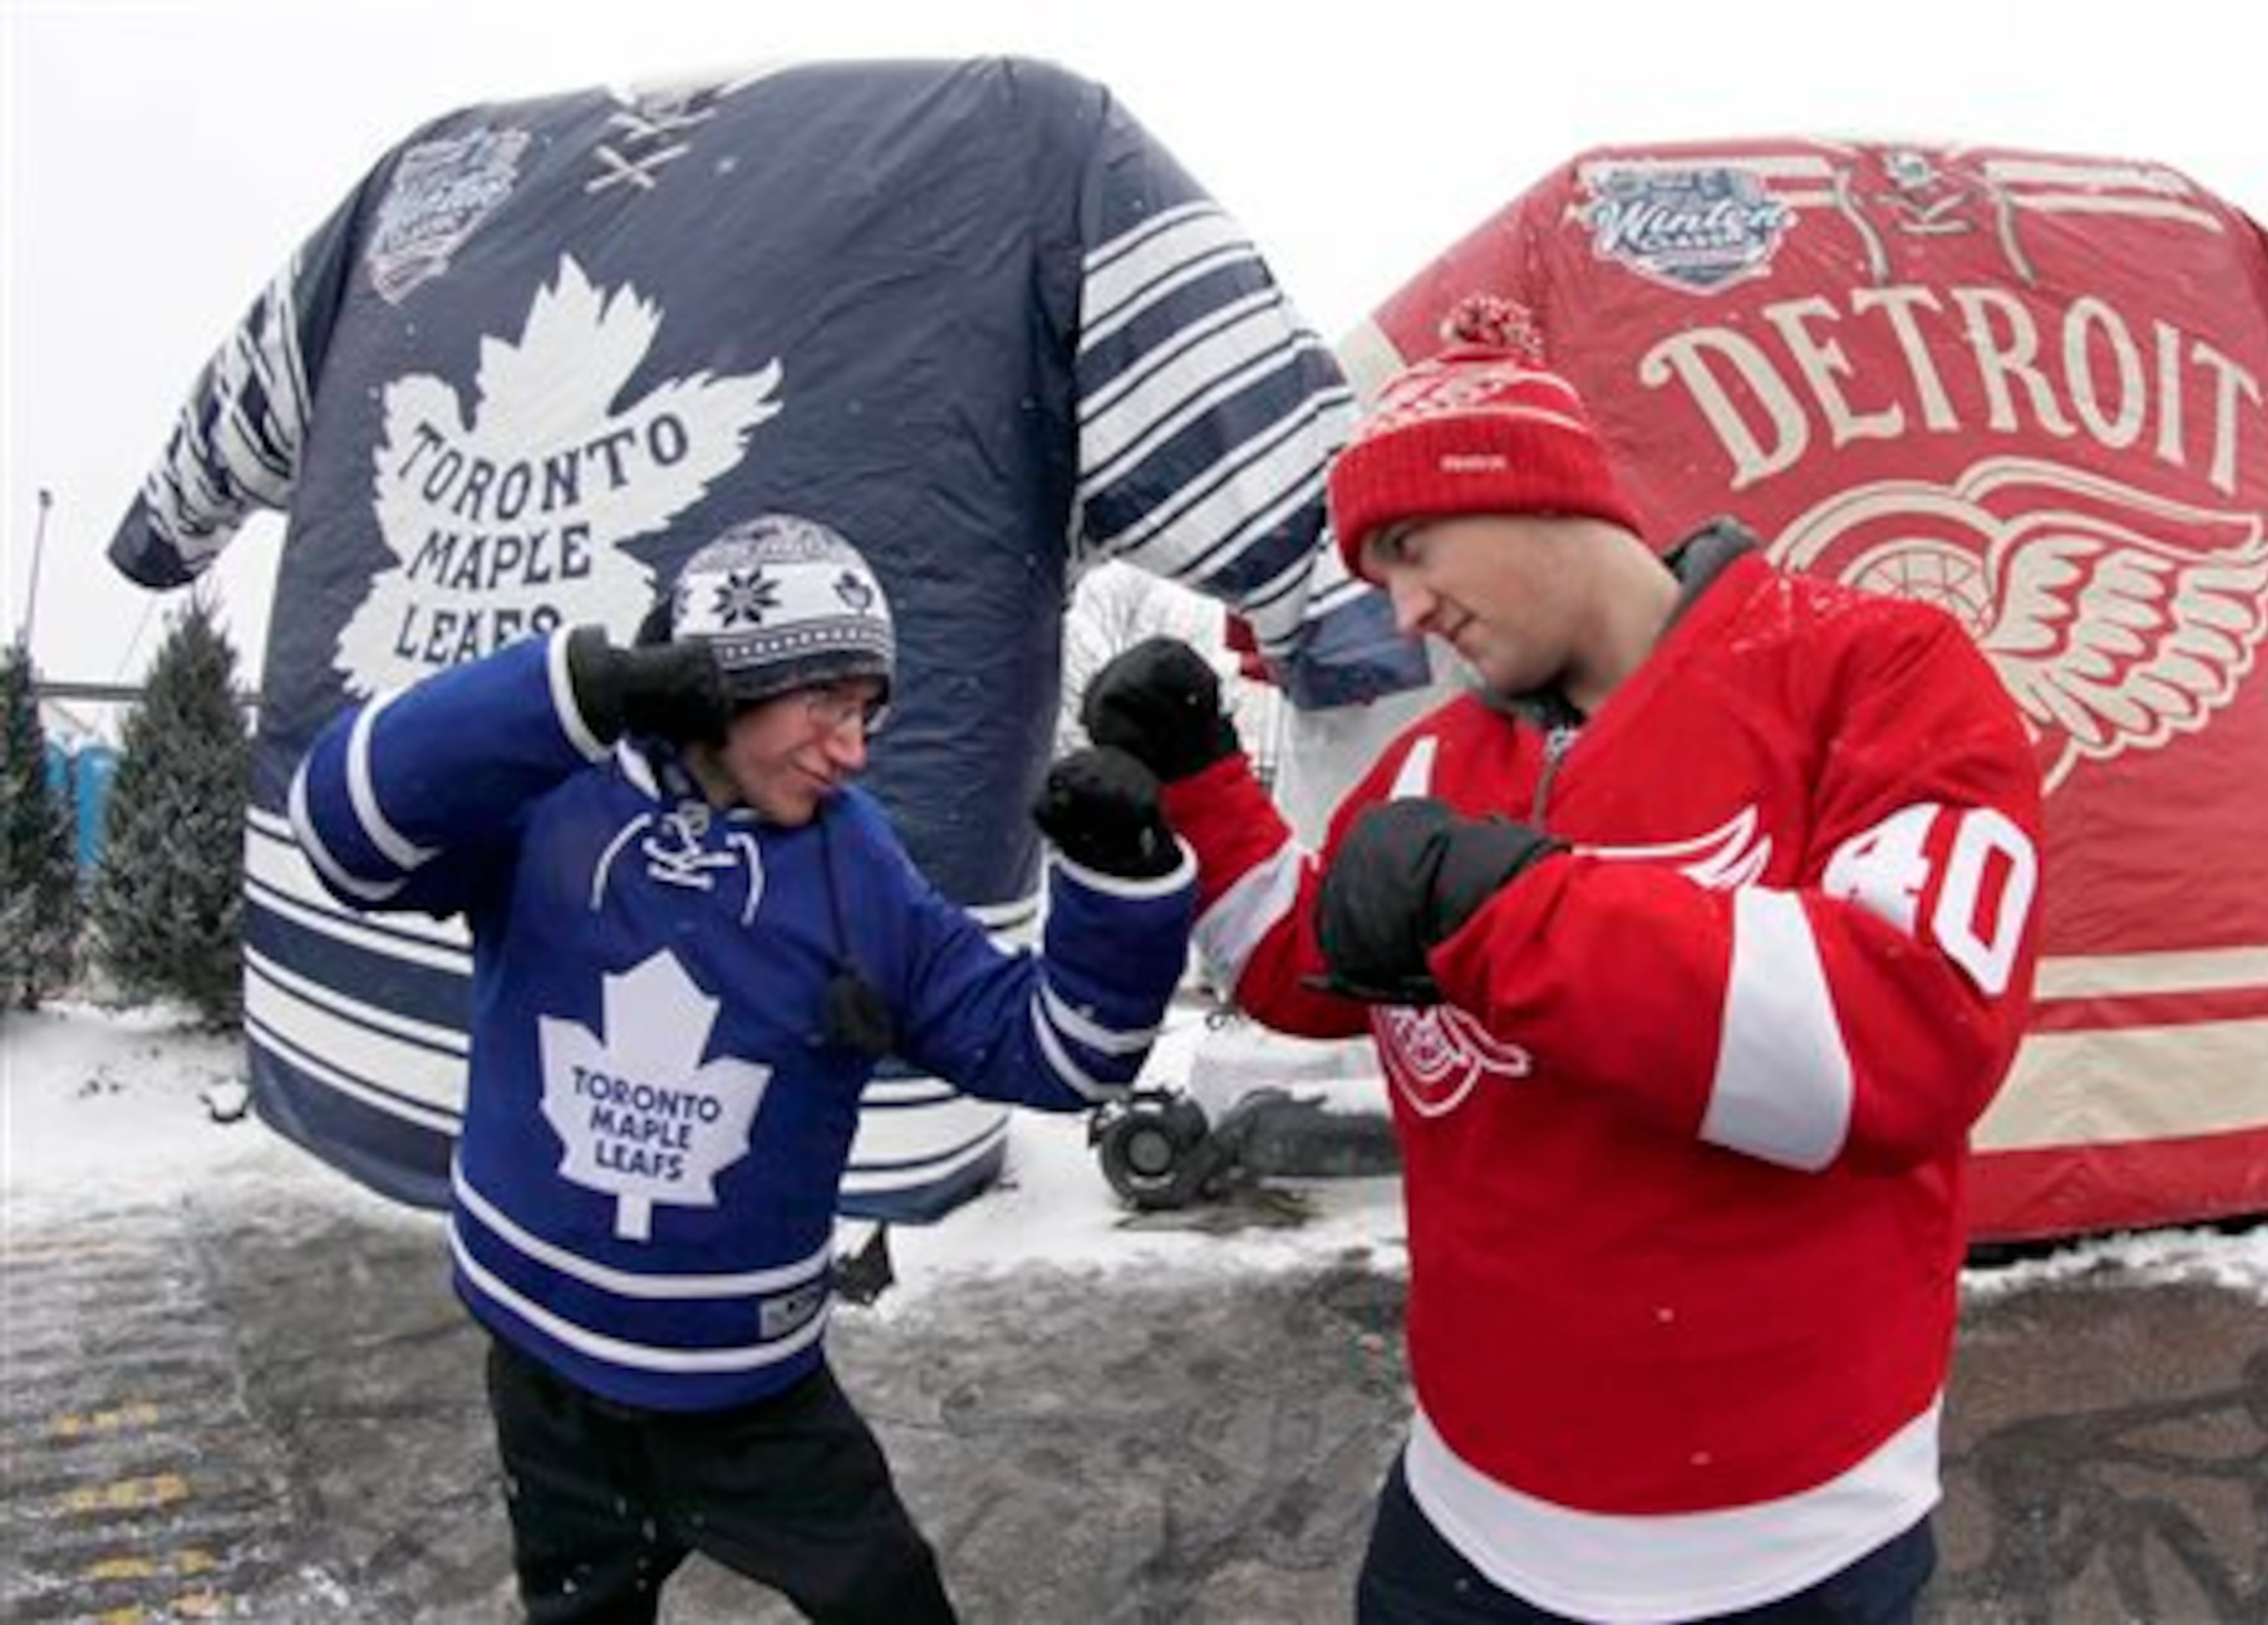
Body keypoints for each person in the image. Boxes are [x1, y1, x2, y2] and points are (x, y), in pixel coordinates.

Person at [1082, 298, 2045, 1623]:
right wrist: (1198, 789)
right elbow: (1315, 968)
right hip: (1462, 1522)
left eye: (1412, 549)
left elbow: (1900, 1037)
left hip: (1784, 1553)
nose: (1409, 613)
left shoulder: (1869, 670)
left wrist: (1510, 910)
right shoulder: (1439, 759)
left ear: (1532, 491)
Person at [290, 512, 1197, 1623]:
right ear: (717, 686)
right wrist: (579, 692)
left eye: (867, 711)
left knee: (897, 1606)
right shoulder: (550, 804)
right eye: (825, 701)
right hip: (545, 1382)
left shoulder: (855, 864)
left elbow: (1064, 1051)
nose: (854, 747)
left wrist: (1123, 883)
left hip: (753, 1405)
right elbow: (339, 826)